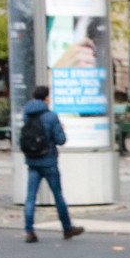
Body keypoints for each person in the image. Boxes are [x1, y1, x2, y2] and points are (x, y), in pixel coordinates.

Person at [21, 85, 83, 244]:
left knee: (30, 197)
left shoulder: (26, 115)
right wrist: (61, 129)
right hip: (48, 161)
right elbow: (60, 140)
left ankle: (29, 231)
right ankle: (67, 227)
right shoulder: (51, 116)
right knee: (58, 195)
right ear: (47, 98)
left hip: (32, 160)